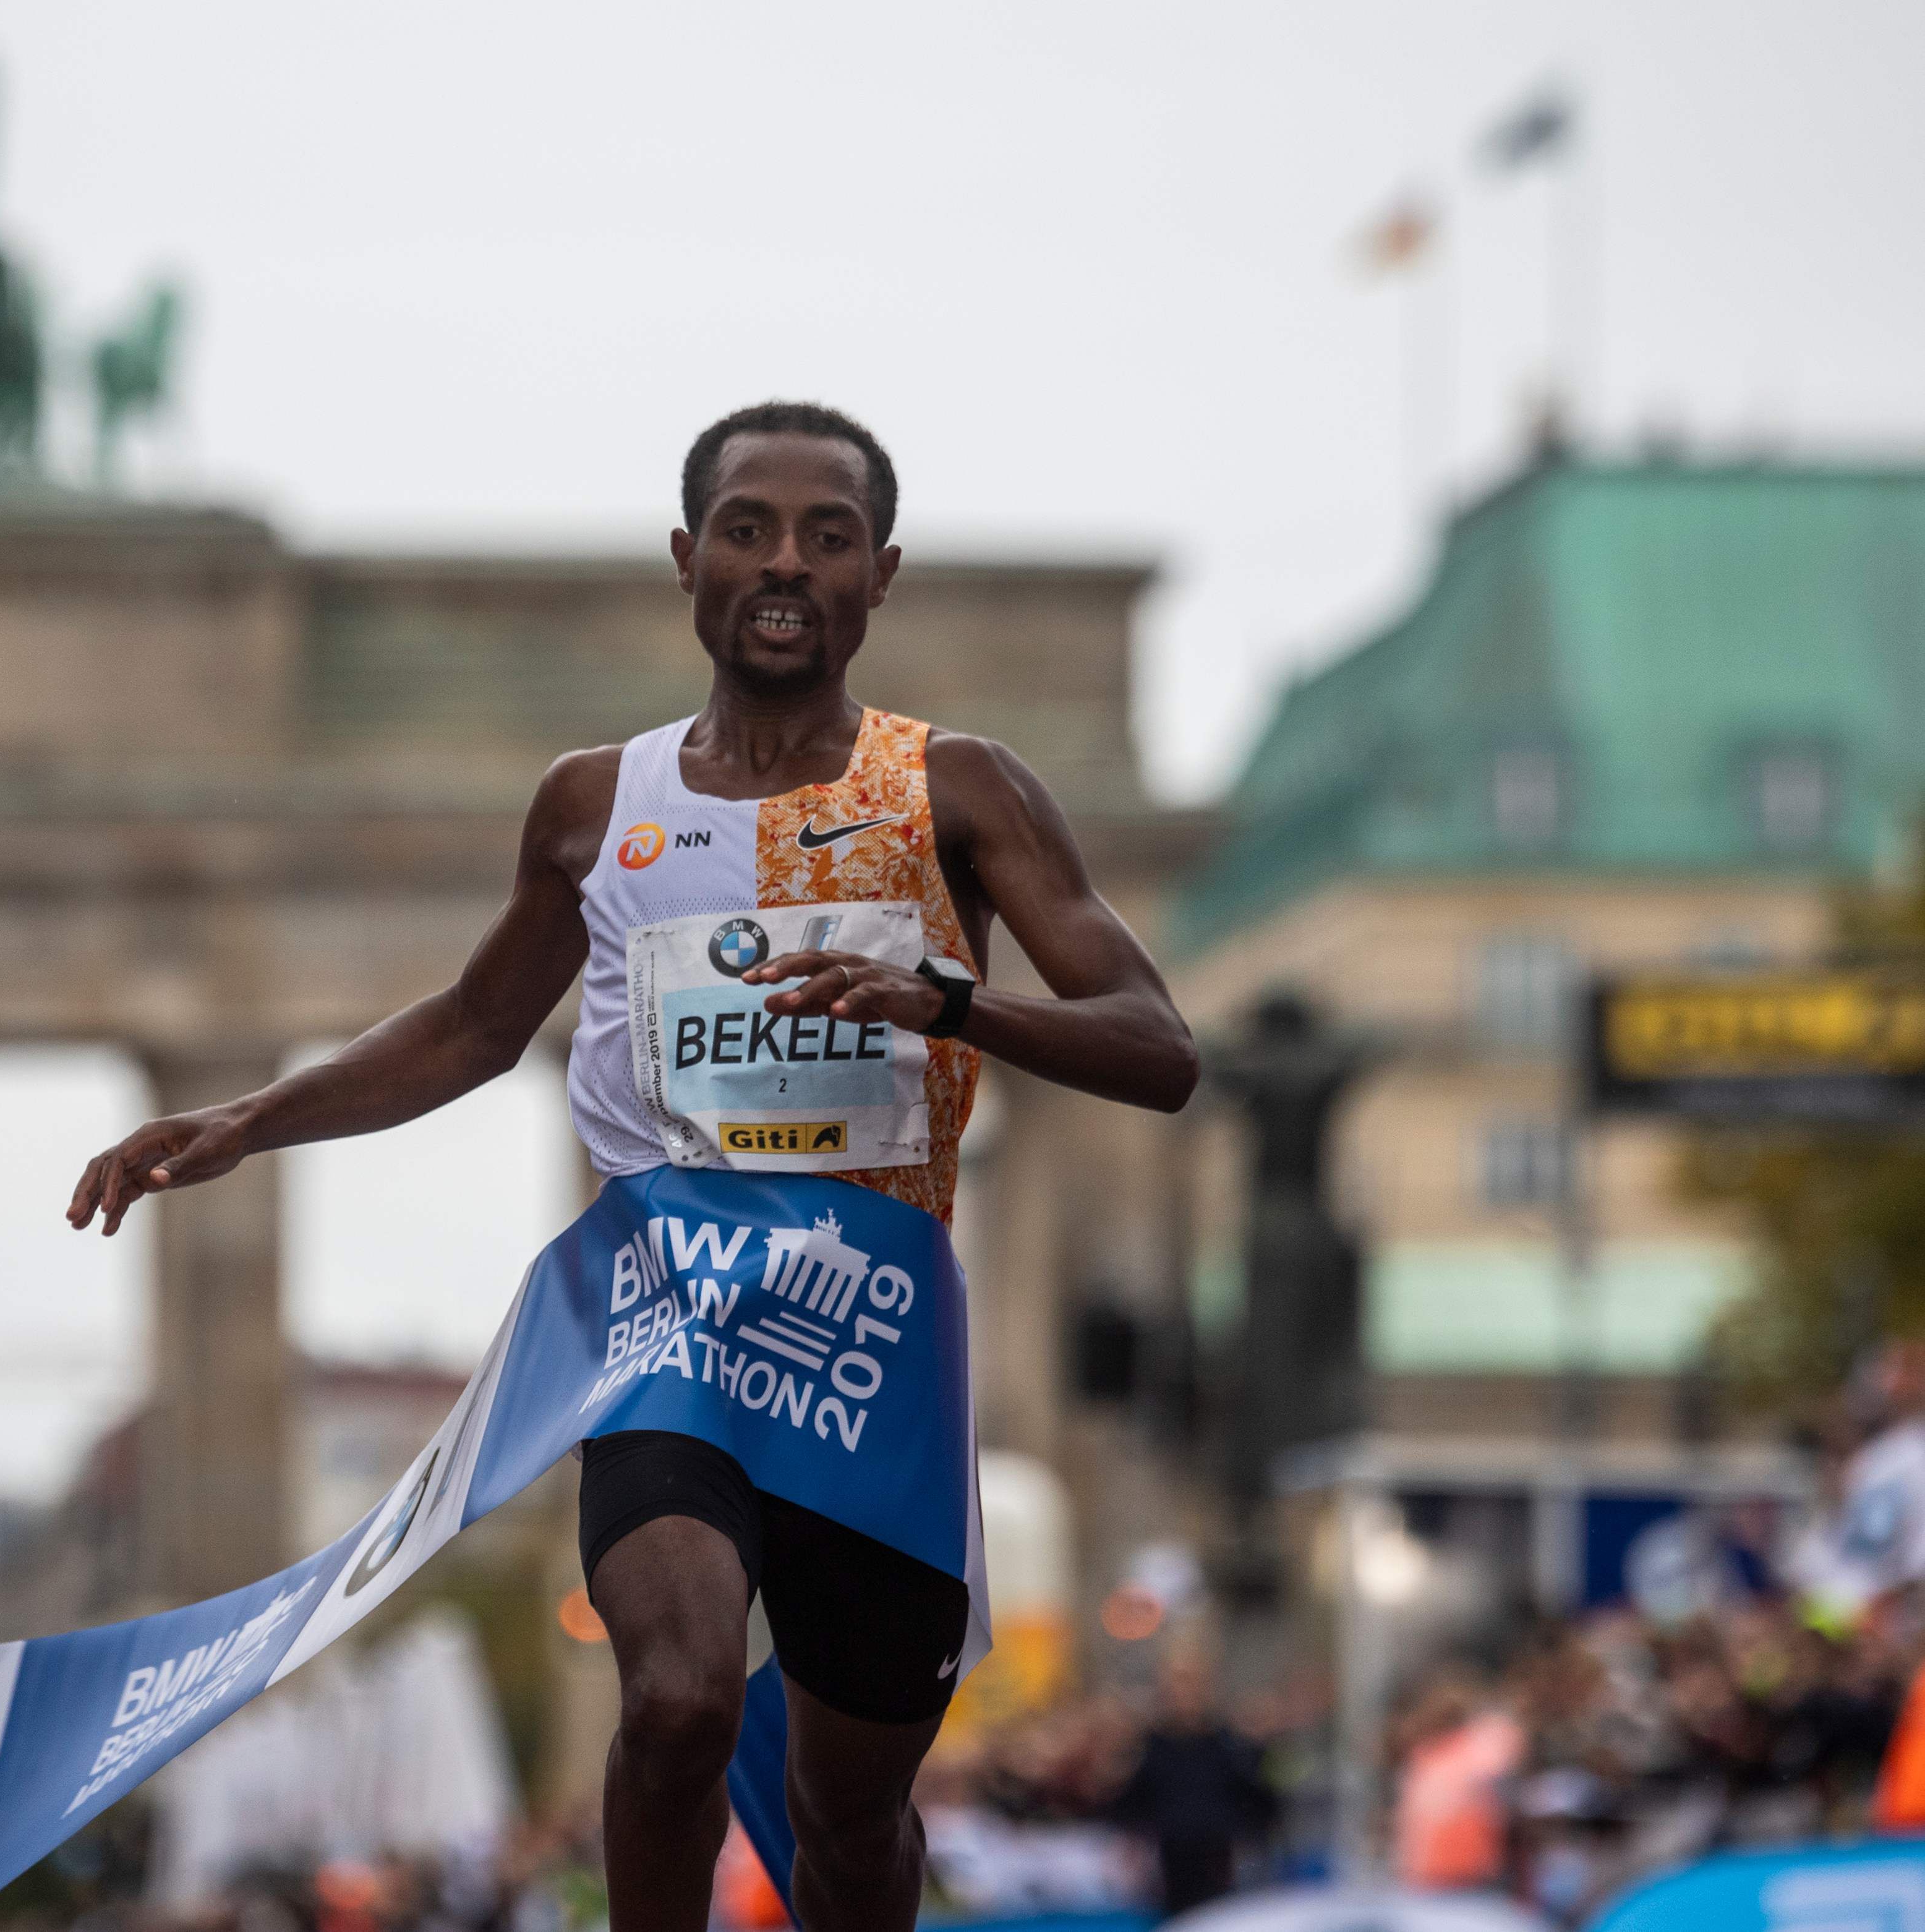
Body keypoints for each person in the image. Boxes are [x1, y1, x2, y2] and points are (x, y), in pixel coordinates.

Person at [69, 400, 1197, 1932]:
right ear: (688, 561)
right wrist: (250, 1119)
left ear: (882, 576)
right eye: (747, 527)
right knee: (672, 1702)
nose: (784, 561)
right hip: (669, 1313)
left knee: (849, 1822)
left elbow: (1155, 1044)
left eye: (828, 533)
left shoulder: (960, 792)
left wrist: (946, 1002)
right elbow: (476, 1024)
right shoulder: (596, 804)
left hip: (870, 1339)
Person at [1108, 1648, 1272, 1918]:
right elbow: (1130, 1806)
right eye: (1177, 1682)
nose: (1184, 1693)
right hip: (1170, 1869)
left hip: (1222, 1865)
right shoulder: (1149, 1748)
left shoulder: (1231, 1746)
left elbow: (1259, 1804)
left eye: (1192, 1682)